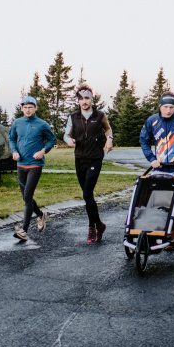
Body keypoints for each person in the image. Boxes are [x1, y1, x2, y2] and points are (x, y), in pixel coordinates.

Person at [63, 86, 114, 244]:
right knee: (88, 196)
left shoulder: (100, 115)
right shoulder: (73, 117)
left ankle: (92, 227)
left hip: (95, 158)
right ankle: (98, 225)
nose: (84, 101)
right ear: (78, 100)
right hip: (79, 159)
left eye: (87, 98)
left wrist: (110, 139)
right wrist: (68, 140)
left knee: (86, 194)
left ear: (91, 99)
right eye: (81, 98)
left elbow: (108, 129)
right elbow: (66, 134)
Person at [7, 95, 56, 242]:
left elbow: (52, 140)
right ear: (21, 108)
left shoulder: (42, 124)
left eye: (30, 107)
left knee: (28, 196)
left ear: (35, 108)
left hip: (35, 165)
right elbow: (11, 139)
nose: (28, 110)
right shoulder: (17, 123)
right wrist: (14, 151)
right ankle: (40, 215)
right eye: (25, 107)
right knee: (26, 197)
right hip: (21, 164)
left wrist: (43, 151)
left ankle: (24, 230)